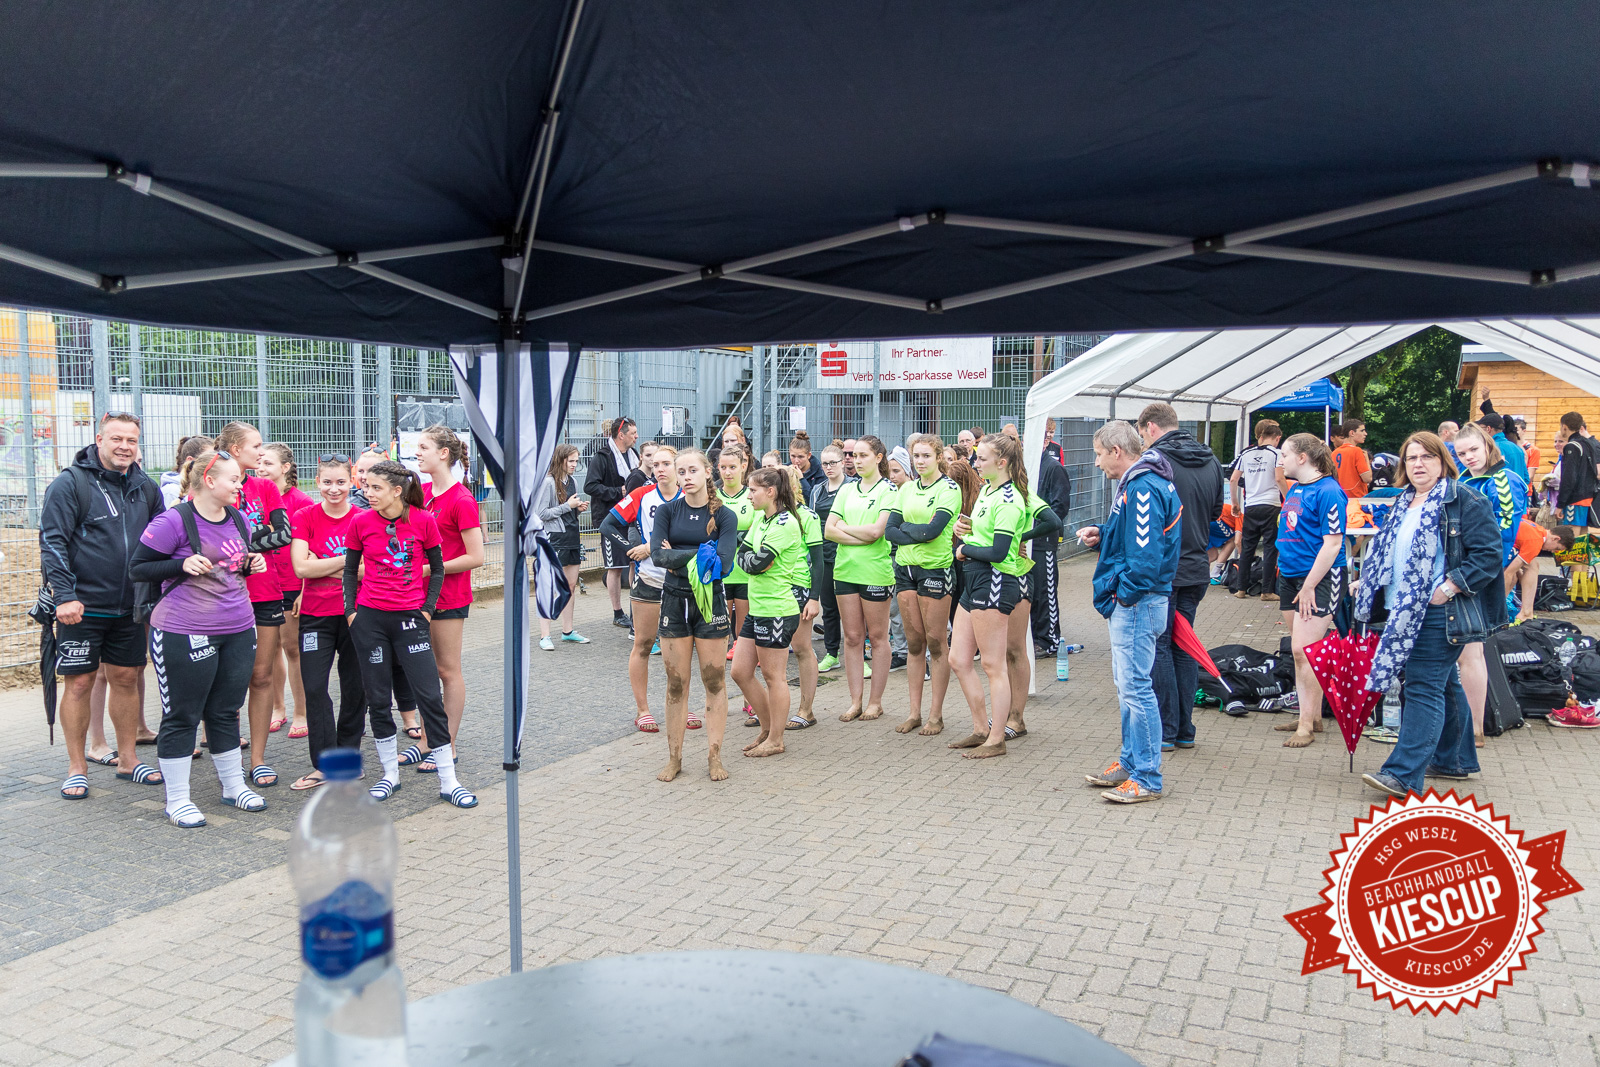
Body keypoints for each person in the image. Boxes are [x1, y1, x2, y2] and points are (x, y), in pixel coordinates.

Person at [1355, 432, 1504, 797]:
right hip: (1401, 608)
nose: (1418, 464)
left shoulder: (1464, 499)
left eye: (1427, 457)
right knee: (1443, 684)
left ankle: (1402, 774)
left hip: (1440, 609)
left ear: (1442, 461)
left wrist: (1448, 587)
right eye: (1411, 458)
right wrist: (1368, 580)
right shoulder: (1403, 501)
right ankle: (1454, 759)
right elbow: (1392, 552)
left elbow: (1487, 556)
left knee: (1423, 685)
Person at [130, 449, 268, 826]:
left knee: (225, 710)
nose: (240, 485)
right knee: (182, 715)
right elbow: (138, 568)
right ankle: (177, 800)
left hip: (238, 627)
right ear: (209, 481)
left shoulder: (237, 517)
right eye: (234, 479)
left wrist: (252, 563)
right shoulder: (173, 520)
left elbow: (233, 566)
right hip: (183, 629)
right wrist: (181, 563)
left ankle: (232, 786)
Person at [41, 412, 167, 799]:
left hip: (131, 607)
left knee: (127, 679)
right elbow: (53, 542)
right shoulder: (70, 484)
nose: (124, 447)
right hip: (82, 607)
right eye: (116, 439)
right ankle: (77, 767)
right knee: (79, 682)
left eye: (131, 440)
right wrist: (64, 596)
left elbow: (163, 539)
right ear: (99, 439)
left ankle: (128, 759)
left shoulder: (145, 487)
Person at [343, 461, 473, 807]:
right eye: (365, 487)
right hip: (370, 620)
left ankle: (449, 780)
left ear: (397, 491)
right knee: (378, 699)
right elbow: (349, 571)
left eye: (374, 488)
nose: (367, 494)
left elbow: (439, 567)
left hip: (410, 619)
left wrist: (427, 609)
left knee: (429, 696)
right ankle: (389, 775)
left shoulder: (423, 520)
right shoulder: (360, 522)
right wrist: (352, 612)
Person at [1075, 421, 1181, 802]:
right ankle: (1131, 762)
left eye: (1100, 454)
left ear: (1117, 451)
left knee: (1136, 688)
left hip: (1138, 602)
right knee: (1128, 686)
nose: (1098, 462)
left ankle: (1148, 777)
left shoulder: (1141, 486)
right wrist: (1103, 535)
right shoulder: (1142, 482)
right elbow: (1137, 539)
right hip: (1138, 598)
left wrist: (1124, 595)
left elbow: (1146, 555)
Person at [1137, 402, 1224, 754]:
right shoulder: (1211, 460)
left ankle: (1168, 729)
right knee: (1183, 644)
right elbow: (1218, 511)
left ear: (1151, 428)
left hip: (1166, 568)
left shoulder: (1156, 462)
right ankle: (1184, 729)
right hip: (1196, 568)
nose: (1142, 441)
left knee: (1160, 644)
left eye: (1142, 434)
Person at [213, 422, 294, 788]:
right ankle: (226, 756)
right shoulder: (211, 481)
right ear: (233, 447)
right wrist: (246, 546)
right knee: (226, 682)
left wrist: (240, 547)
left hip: (265, 594)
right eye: (256, 445)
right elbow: (205, 537)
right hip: (220, 595)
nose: (261, 453)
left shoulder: (263, 487)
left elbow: (284, 534)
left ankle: (258, 759)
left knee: (261, 677)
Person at [649, 449, 737, 783]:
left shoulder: (725, 516)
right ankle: (674, 758)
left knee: (713, 679)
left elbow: (724, 564)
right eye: (680, 471)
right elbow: (658, 556)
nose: (685, 477)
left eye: (691, 471)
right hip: (674, 600)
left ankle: (714, 756)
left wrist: (681, 554)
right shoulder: (668, 512)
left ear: (707, 473)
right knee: (676, 683)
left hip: (710, 603)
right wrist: (703, 552)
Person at [947, 434, 1034, 759]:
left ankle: (996, 738)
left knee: (993, 664)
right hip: (975, 580)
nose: (975, 463)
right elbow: (986, 537)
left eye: (982, 458)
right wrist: (966, 534)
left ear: (1002, 463)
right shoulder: (988, 490)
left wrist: (965, 548)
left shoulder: (1010, 499)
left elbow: (999, 551)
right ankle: (981, 728)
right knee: (958, 659)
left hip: (996, 580)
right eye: (976, 457)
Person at [288, 454, 365, 791]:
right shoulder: (305, 516)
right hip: (316, 616)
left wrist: (324, 562)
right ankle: (323, 764)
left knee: (355, 688)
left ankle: (348, 760)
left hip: (356, 614)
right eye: (327, 482)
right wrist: (346, 562)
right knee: (315, 687)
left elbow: (372, 568)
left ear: (352, 482)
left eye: (341, 482)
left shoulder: (363, 518)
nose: (334, 489)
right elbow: (301, 568)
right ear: (316, 482)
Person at [731, 467, 817, 757]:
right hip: (757, 608)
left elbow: (756, 563)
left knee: (773, 676)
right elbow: (741, 551)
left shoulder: (785, 523)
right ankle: (767, 728)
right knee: (740, 672)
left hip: (777, 609)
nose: (748, 495)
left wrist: (748, 559)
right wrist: (748, 558)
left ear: (771, 492)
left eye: (753, 490)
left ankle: (776, 739)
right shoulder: (760, 518)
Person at [1454, 422, 1528, 744]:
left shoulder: (1506, 481)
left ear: (1487, 445)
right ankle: (1468, 725)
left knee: (1472, 652)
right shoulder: (1462, 479)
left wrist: (1473, 571)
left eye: (1473, 449)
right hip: (1458, 574)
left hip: (1480, 576)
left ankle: (1475, 728)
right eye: (1461, 453)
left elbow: (1504, 537)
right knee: (1463, 652)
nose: (1468, 457)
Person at [1273, 434, 1347, 749]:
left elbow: (1333, 544)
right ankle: (1312, 714)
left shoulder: (1329, 491)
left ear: (1303, 458)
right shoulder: (1297, 488)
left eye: (1285, 454)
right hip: (1290, 576)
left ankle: (1306, 726)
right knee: (1302, 652)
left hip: (1317, 580)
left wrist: (1309, 586)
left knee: (1304, 652)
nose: (1281, 460)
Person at [601, 445, 681, 733]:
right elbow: (607, 525)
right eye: (655, 464)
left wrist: (656, 546)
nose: (660, 469)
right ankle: (643, 710)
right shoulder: (641, 495)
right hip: (648, 581)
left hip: (682, 582)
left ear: (677, 467)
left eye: (666, 464)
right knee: (644, 645)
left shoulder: (691, 496)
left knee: (680, 647)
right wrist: (633, 549)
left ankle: (680, 705)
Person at [417, 426, 485, 767]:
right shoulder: (424, 492)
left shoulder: (461, 499)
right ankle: (428, 738)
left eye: (424, 447)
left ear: (444, 453)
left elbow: (476, 556)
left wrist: (431, 567)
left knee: (447, 669)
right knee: (423, 669)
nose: (418, 453)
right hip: (415, 597)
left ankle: (448, 744)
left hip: (448, 597)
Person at [886, 434, 961, 737]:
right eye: (916, 456)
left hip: (935, 569)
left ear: (939, 457)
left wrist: (910, 529)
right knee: (914, 643)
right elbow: (890, 531)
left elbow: (933, 531)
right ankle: (914, 712)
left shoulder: (949, 489)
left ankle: (936, 715)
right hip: (905, 570)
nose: (920, 462)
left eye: (926, 456)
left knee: (936, 642)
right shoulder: (906, 489)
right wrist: (911, 532)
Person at [826, 435, 896, 724]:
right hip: (845, 571)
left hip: (875, 572)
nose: (856, 460)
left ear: (878, 457)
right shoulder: (846, 490)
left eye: (863, 455)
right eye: (853, 456)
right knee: (852, 637)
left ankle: (875, 702)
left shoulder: (889, 490)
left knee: (877, 637)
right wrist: (859, 534)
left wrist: (848, 529)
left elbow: (877, 532)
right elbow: (829, 530)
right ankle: (855, 701)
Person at [260, 443, 312, 739]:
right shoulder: (256, 497)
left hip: (292, 585)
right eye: (260, 462)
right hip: (264, 585)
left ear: (286, 468)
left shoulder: (300, 501)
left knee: (293, 649)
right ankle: (277, 707)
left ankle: (301, 711)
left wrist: (305, 589)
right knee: (269, 651)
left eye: (268, 463)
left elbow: (311, 550)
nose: (262, 468)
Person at [584, 416, 640, 629]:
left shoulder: (633, 455)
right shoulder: (602, 457)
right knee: (615, 566)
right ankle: (617, 612)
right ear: (621, 434)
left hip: (632, 518)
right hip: (611, 518)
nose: (636, 437)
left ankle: (636, 608)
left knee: (635, 561)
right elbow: (590, 486)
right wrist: (619, 491)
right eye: (633, 433)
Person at [782, 464, 825, 731]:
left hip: (798, 589)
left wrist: (813, 598)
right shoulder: (764, 515)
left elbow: (817, 562)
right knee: (771, 652)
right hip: (770, 591)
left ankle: (806, 709)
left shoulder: (807, 516)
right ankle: (772, 708)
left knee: (801, 648)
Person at [535, 443, 589, 650]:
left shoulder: (573, 481)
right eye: (571, 461)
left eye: (576, 460)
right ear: (561, 460)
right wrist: (568, 506)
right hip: (555, 539)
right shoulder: (548, 482)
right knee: (548, 585)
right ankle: (545, 635)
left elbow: (567, 510)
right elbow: (542, 514)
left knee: (570, 585)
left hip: (572, 537)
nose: (575, 464)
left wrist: (577, 509)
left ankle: (567, 631)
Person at [716, 445, 757, 710]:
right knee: (718, 640)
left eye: (733, 467)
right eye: (723, 467)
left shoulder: (751, 497)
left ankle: (748, 699)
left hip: (744, 575)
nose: (728, 472)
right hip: (719, 577)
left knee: (744, 639)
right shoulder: (713, 497)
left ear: (744, 466)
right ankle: (717, 697)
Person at [1232, 419, 1289, 603]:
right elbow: (1280, 479)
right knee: (1270, 548)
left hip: (1251, 505)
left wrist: (1235, 503)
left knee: (1247, 547)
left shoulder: (1246, 453)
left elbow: (1233, 479)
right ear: (1277, 438)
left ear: (1261, 436)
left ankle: (1241, 589)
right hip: (1271, 504)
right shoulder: (1277, 453)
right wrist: (1289, 499)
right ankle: (1266, 591)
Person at [809, 444, 849, 673]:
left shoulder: (852, 487)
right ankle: (832, 654)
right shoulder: (817, 490)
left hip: (847, 553)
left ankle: (859, 656)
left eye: (833, 462)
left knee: (852, 609)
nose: (828, 467)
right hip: (824, 557)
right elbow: (813, 521)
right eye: (824, 463)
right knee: (829, 607)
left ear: (843, 462)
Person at [1031, 444, 1072, 656]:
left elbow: (1060, 506)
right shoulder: (1027, 466)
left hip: (1044, 540)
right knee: (1032, 592)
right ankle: (1035, 637)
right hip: (1028, 541)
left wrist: (1040, 526)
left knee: (1045, 591)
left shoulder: (1053, 468)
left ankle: (1049, 640)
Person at [1508, 521, 1574, 622]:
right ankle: (1505, 612)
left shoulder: (1538, 529)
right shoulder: (1536, 542)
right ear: (1556, 538)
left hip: (1498, 536)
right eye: (1556, 548)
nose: (1552, 552)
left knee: (1533, 565)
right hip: (1492, 540)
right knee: (1512, 577)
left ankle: (1526, 612)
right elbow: (1508, 572)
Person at [1555, 411, 1600, 528]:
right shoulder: (1589, 444)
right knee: (1582, 537)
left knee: (1572, 538)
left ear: (1564, 427)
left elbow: (1569, 477)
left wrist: (1560, 504)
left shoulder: (1572, 446)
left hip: (1575, 499)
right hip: (1588, 497)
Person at [161, 434, 212, 507]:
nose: (214, 463)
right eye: (208, 459)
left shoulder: (202, 488)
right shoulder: (171, 491)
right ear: (190, 460)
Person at [1332, 419, 1372, 499]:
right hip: (1356, 498)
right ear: (1352, 433)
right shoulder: (1356, 451)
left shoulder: (1334, 453)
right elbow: (1367, 478)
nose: (1365, 434)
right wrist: (1367, 459)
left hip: (1339, 497)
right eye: (1362, 431)